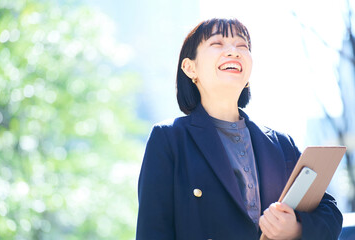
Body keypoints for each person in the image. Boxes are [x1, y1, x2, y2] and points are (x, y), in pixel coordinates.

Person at [136, 18, 343, 240]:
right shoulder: (169, 138)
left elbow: (330, 212)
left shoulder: (281, 144)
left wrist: (297, 229)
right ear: (190, 68)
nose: (233, 52)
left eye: (242, 46)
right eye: (217, 43)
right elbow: (153, 231)